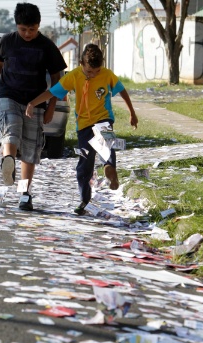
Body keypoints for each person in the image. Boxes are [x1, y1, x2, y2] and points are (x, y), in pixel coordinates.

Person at [25, 43, 138, 215]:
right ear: (81, 64)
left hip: (103, 119)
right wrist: (33, 102)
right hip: (83, 125)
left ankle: (110, 170)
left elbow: (122, 91)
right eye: (89, 72)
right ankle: (84, 201)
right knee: (84, 165)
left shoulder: (107, 75)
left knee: (107, 146)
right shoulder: (74, 76)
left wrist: (132, 112)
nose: (93, 75)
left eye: (96, 71)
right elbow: (53, 92)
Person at [0, 3, 67, 211]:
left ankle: (24, 193)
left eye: (32, 30)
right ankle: (8, 161)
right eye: (23, 29)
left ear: (38, 26)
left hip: (35, 102)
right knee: (11, 130)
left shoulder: (46, 46)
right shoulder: (7, 41)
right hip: (9, 95)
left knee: (30, 151)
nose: (27, 34)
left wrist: (52, 106)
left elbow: (56, 79)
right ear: (17, 26)